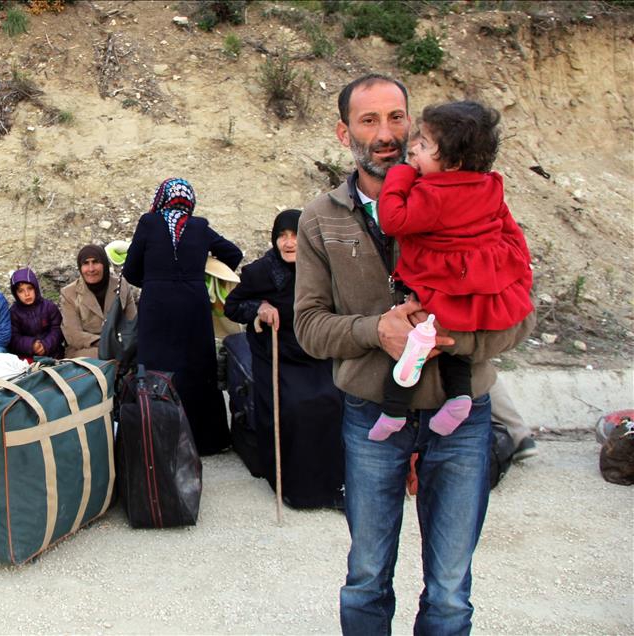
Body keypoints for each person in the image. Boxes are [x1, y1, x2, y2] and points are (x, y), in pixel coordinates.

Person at [293, 74, 536, 634]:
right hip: (371, 417)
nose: (386, 134)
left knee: (450, 591)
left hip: (463, 418)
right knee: (366, 578)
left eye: (397, 118)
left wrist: (449, 340)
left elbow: (522, 313)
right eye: (369, 120)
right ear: (344, 132)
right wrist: (377, 331)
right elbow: (308, 328)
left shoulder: (475, 202)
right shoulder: (320, 218)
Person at [370, 103, 533, 442]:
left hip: (438, 284)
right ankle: (459, 398)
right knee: (455, 345)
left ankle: (393, 412)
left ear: (453, 163)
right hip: (476, 287)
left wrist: (401, 174)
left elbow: (393, 220)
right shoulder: (490, 186)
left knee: (416, 343)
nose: (414, 149)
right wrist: (515, 272)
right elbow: (509, 233)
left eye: (424, 145)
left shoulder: (433, 193)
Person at [224, 209, 344, 509]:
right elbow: (232, 307)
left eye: (295, 236)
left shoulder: (321, 267)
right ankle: (294, 486)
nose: (289, 243)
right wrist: (260, 308)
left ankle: (333, 485)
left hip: (315, 352)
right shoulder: (261, 272)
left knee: (333, 401)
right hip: (277, 353)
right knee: (294, 408)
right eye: (282, 236)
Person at [123, 177, 242, 455]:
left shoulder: (149, 223)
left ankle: (159, 438)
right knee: (197, 367)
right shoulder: (199, 226)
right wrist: (203, 271)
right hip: (193, 305)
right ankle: (205, 440)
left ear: (161, 198)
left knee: (157, 368)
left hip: (157, 306)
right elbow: (233, 253)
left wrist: (153, 281)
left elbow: (130, 270)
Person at [60, 244, 136, 358]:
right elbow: (73, 335)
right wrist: (106, 343)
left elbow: (133, 323)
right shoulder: (69, 293)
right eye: (86, 263)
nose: (91, 269)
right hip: (86, 349)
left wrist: (123, 343)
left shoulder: (121, 285)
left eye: (95, 262)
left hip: (121, 345)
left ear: (104, 264)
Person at [8, 267, 64, 360]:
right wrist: (31, 345)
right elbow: (13, 338)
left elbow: (58, 330)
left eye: (30, 288)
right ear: (15, 294)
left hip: (54, 354)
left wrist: (45, 345)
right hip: (27, 357)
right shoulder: (14, 313)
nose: (27, 294)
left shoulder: (49, 307)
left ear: (36, 288)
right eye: (21, 291)